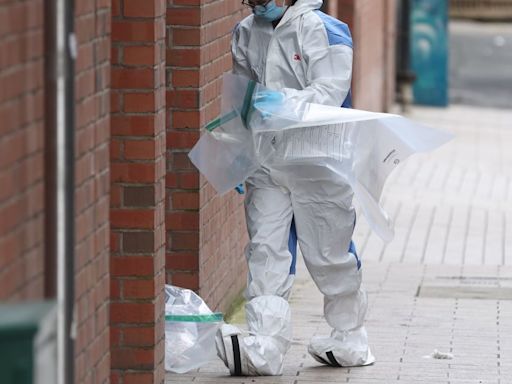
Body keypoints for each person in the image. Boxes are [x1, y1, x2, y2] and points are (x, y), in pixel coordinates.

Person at [215, 0, 375, 376]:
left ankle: (349, 337)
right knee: (265, 251)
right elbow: (242, 99)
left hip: (317, 162)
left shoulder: (326, 30)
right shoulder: (245, 31)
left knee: (328, 253)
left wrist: (279, 102)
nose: (255, 3)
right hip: (267, 162)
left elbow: (330, 91)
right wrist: (236, 156)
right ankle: (265, 344)